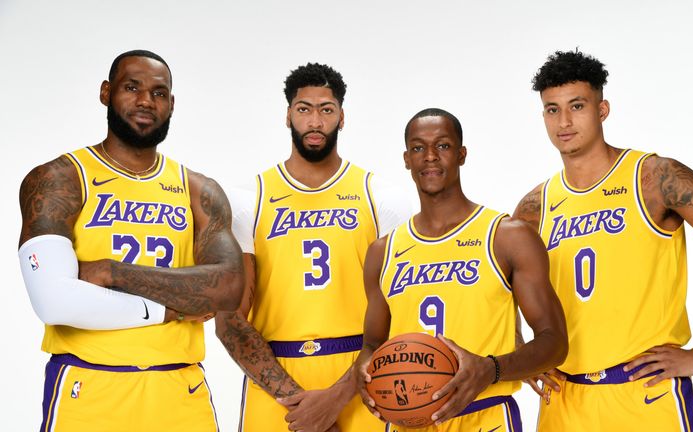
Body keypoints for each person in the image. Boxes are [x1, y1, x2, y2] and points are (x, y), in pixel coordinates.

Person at [514, 50, 693, 431]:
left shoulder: (654, 178)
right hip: (564, 403)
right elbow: (502, 288)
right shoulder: (535, 206)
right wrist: (522, 350)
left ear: (602, 110)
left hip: (646, 396)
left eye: (577, 106)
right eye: (552, 110)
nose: (564, 121)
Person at [17, 49, 244, 431]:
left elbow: (228, 288)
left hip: (180, 388)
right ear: (106, 92)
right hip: (89, 386)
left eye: (158, 93)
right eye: (132, 87)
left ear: (171, 104)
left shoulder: (198, 190)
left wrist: (110, 272)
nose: (145, 101)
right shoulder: (60, 179)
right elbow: (54, 301)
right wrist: (173, 308)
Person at [215, 63, 410, 432]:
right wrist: (300, 404)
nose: (315, 121)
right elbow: (230, 321)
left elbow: (402, 309)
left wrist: (336, 398)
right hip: (273, 376)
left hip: (361, 376)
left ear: (342, 117)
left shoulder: (380, 197)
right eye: (304, 109)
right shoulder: (248, 200)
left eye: (326, 109)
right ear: (288, 115)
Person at [355, 108, 569, 431]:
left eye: (442, 145)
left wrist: (490, 369)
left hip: (486, 416)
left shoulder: (505, 236)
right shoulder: (382, 252)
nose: (429, 157)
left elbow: (555, 342)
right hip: (409, 422)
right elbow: (372, 343)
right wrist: (364, 366)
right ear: (406, 159)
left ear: (461, 154)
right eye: (418, 148)